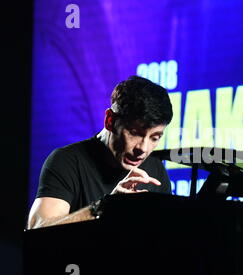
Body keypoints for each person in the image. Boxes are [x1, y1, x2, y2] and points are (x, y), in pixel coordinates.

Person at [27, 76, 173, 229]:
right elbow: (38, 229)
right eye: (134, 133)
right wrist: (105, 207)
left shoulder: (156, 171)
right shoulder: (66, 161)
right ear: (109, 121)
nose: (143, 148)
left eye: (155, 138)